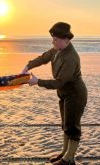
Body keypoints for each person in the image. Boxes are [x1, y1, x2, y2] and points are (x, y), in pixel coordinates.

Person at [22, 22, 87, 165]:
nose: (53, 41)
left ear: (65, 39)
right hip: (64, 94)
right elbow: (44, 57)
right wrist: (28, 65)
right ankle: (64, 154)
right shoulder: (58, 49)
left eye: (55, 39)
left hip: (75, 94)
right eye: (53, 39)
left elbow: (58, 82)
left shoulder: (71, 57)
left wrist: (37, 81)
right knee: (65, 124)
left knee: (72, 127)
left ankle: (68, 159)